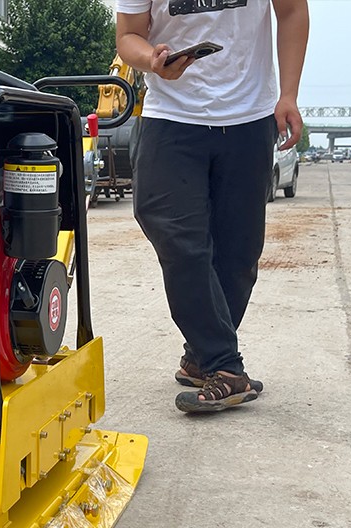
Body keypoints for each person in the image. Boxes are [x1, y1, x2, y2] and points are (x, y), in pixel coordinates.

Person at [116, 0, 309, 413]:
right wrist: (152, 60)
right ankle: (225, 366)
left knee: (238, 253)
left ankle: (200, 357)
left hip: (249, 116)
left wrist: (289, 94)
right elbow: (128, 35)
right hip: (170, 116)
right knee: (176, 235)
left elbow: (292, 10)